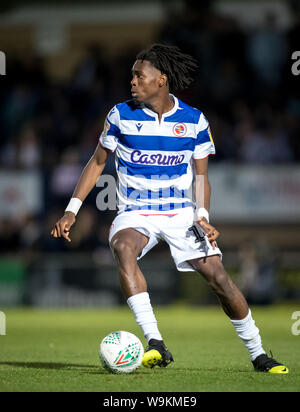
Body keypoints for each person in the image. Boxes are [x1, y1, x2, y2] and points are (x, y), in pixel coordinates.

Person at [51, 44, 288, 374]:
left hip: (181, 213)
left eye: (139, 75)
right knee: (123, 247)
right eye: (132, 75)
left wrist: (202, 217)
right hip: (135, 211)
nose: (132, 81)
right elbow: (97, 162)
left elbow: (202, 176)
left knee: (219, 278)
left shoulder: (193, 121)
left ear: (161, 80)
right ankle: (155, 343)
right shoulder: (120, 115)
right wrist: (72, 210)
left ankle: (260, 354)